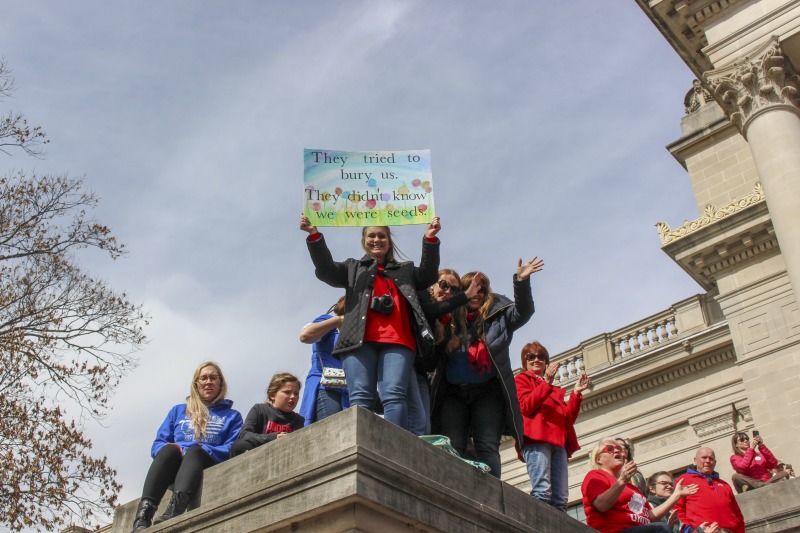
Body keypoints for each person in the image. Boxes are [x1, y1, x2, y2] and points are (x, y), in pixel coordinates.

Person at [300, 214, 441, 431]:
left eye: (382, 236)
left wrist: (430, 239)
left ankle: (395, 443)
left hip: (398, 340)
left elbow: (428, 274)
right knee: (360, 395)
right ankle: (363, 444)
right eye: (371, 236)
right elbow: (326, 271)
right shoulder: (353, 268)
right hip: (359, 341)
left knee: (394, 394)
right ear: (364, 241)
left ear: (389, 241)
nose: (377, 240)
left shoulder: (405, 270)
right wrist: (314, 235)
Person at [429, 260, 544, 478]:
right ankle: (454, 489)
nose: (477, 293)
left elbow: (524, 312)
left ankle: (492, 496)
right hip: (453, 393)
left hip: (487, 392)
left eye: (482, 289)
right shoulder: (449, 317)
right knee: (453, 445)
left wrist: (521, 281)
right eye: (471, 288)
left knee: (487, 445)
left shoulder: (498, 315)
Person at [130, 362, 243, 531]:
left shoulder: (232, 416)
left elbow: (231, 448)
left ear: (221, 383)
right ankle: (143, 516)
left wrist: (200, 449)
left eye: (213, 378)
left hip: (205, 460)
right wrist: (178, 449)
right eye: (203, 378)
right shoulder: (178, 411)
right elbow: (157, 445)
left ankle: (175, 509)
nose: (208, 382)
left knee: (195, 451)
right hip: (175, 465)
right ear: (196, 383)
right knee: (168, 449)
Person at [515, 341, 590, 510]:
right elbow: (526, 406)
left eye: (541, 356)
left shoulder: (554, 390)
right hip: (537, 440)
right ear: (524, 361)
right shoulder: (521, 380)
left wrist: (576, 394)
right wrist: (546, 383)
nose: (536, 360)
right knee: (542, 491)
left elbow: (566, 419)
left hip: (558, 442)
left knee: (561, 499)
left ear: (546, 362)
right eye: (531, 356)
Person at [407, 269, 482, 436]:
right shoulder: (422, 301)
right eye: (443, 285)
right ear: (432, 286)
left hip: (421, 373)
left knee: (425, 426)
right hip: (406, 364)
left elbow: (433, 361)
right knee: (417, 422)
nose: (448, 291)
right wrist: (463, 296)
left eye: (454, 290)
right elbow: (431, 311)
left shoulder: (449, 323)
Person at [581, 438, 698, 533]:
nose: (617, 451)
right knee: (661, 529)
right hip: (614, 531)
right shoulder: (595, 476)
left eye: (618, 449)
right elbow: (601, 505)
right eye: (610, 449)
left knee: (661, 527)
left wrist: (676, 496)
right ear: (598, 458)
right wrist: (622, 480)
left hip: (640, 529)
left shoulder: (631, 488)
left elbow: (650, 516)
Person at [298, 296, 350, 425]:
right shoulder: (329, 320)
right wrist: (337, 321)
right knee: (331, 428)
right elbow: (305, 335)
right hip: (326, 386)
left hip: (349, 389)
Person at [231, 373, 305, 456]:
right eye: (287, 392)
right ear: (272, 395)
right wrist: (273, 437)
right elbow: (244, 434)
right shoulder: (260, 410)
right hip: (261, 455)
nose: (293, 396)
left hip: (287, 456)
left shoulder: (299, 420)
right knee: (239, 446)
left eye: (296, 393)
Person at [674, 446, 745, 533]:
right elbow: (677, 510)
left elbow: (737, 513)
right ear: (695, 460)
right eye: (704, 458)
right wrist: (690, 530)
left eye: (711, 458)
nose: (708, 461)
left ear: (715, 462)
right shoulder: (683, 480)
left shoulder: (724, 484)